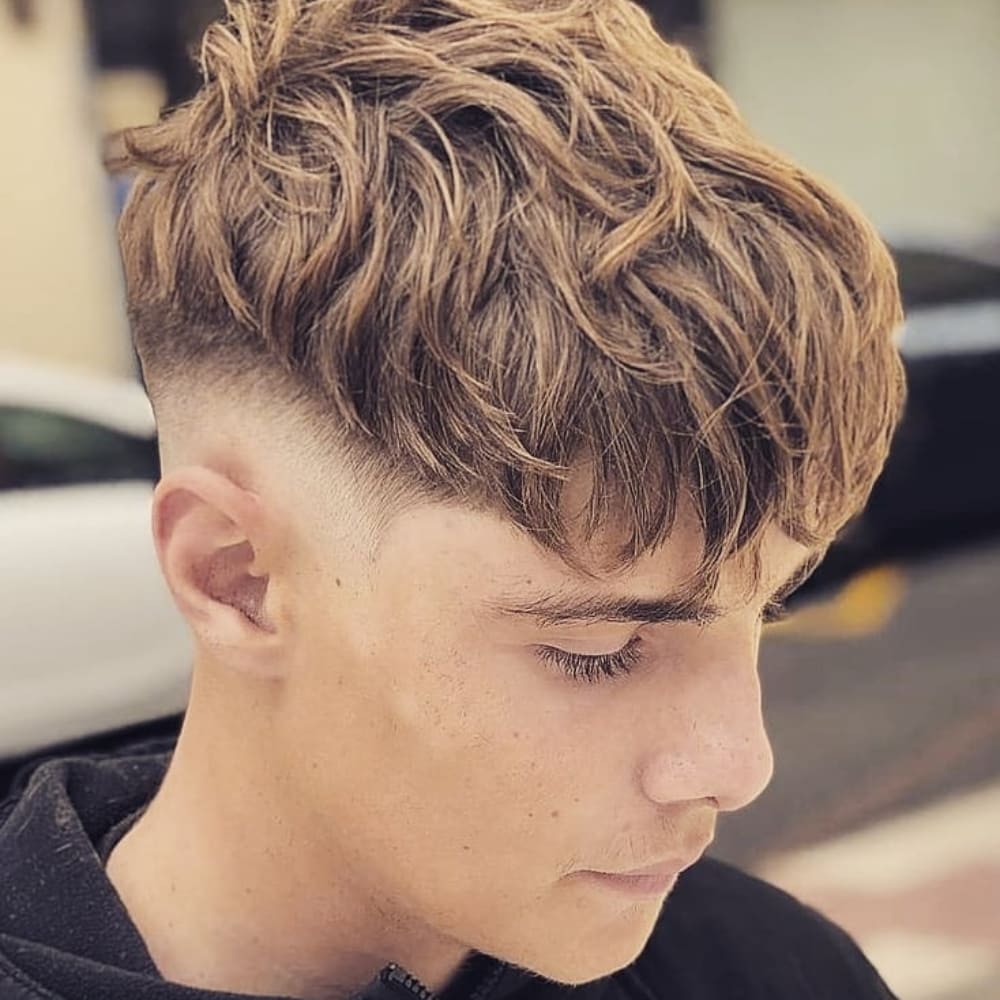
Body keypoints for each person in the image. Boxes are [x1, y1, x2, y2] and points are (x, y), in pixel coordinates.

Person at [0, 1, 906, 998]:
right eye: (596, 651)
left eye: (766, 606)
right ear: (235, 577)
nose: (739, 764)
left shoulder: (772, 973)